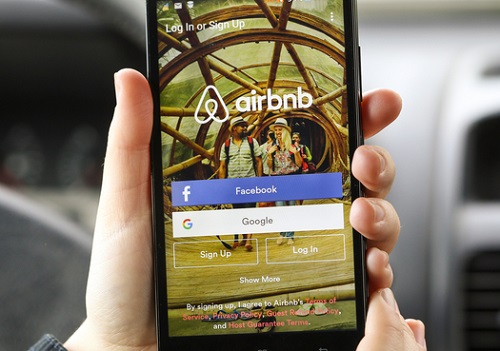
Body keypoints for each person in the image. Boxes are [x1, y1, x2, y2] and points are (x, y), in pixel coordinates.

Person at [29, 69, 426, 351]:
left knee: (287, 211)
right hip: (247, 181)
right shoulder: (249, 145)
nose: (273, 133)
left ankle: (274, 236)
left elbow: (281, 161)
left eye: (277, 129)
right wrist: (109, 345)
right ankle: (248, 238)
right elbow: (239, 162)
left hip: (284, 179)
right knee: (257, 213)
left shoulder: (268, 144)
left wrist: (108, 346)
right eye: (269, 131)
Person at [219, 116, 263, 251]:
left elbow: (259, 161)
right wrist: (222, 186)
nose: (245, 128)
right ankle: (244, 237)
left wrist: (259, 181)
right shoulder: (226, 145)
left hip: (249, 182)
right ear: (233, 129)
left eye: (245, 125)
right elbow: (222, 166)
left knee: (249, 211)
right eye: (241, 126)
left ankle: (249, 240)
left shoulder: (251, 142)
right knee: (238, 212)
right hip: (233, 185)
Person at [267, 118, 302, 245]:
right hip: (278, 180)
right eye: (276, 130)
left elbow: (299, 165)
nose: (277, 132)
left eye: (280, 130)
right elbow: (270, 166)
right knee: (280, 208)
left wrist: (296, 154)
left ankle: (290, 235)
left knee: (291, 207)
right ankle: (282, 234)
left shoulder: (293, 146)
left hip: (291, 178)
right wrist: (269, 155)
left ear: (285, 131)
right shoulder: (271, 146)